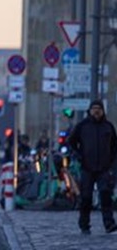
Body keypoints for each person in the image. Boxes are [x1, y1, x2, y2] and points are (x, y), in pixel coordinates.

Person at [65, 99, 117, 235]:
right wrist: (78, 155)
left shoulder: (108, 127)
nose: (96, 111)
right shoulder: (82, 126)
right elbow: (71, 142)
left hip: (104, 168)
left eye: (98, 108)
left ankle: (109, 224)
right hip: (87, 167)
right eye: (94, 108)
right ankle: (84, 224)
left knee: (106, 195)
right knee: (86, 197)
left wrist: (112, 163)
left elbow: (114, 147)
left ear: (102, 111)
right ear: (90, 110)